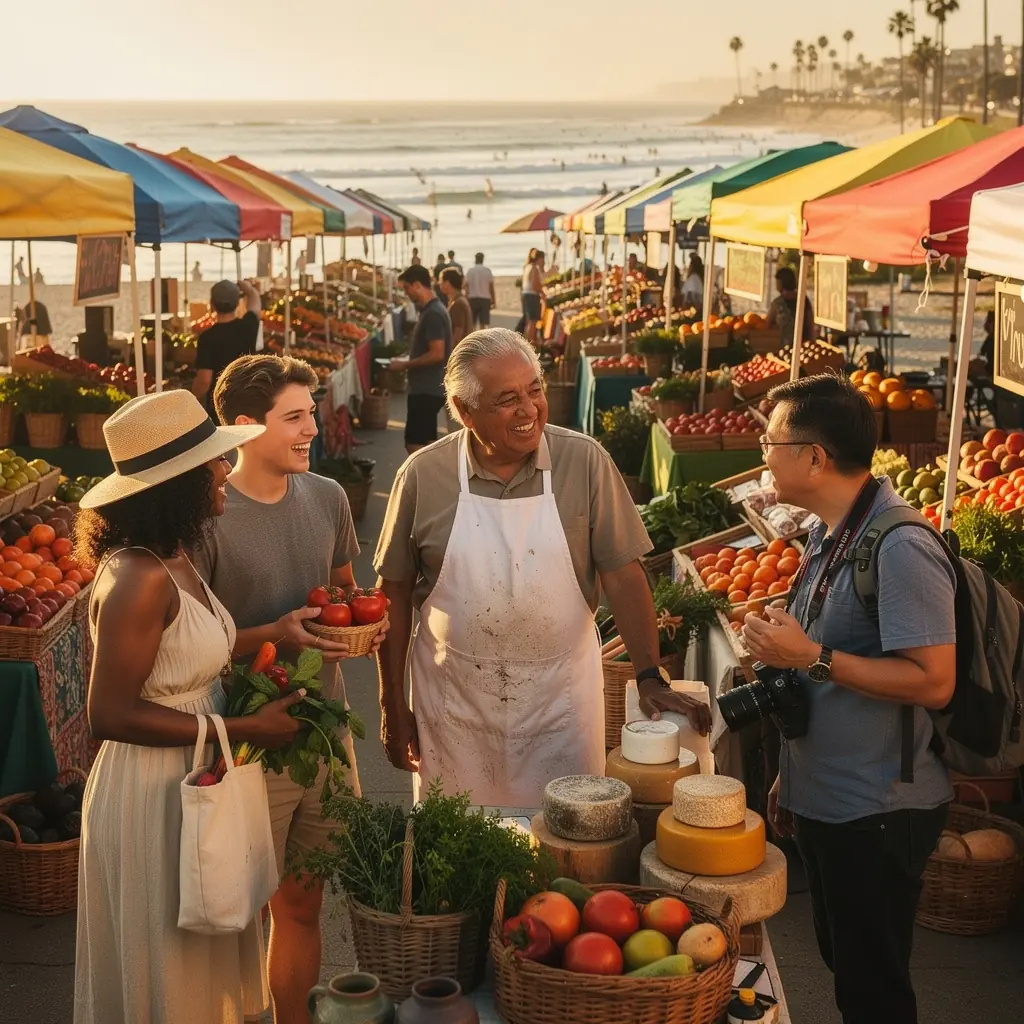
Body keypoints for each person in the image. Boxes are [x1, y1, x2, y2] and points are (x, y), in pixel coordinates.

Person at [374, 328, 710, 807]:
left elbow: (624, 575)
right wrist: (392, 703)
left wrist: (650, 675)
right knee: (457, 852)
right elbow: (394, 593)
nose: (529, 408)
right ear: (465, 412)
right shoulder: (423, 476)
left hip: (561, 708)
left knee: (565, 852)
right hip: (454, 707)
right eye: (507, 399)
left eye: (535, 389)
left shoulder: (585, 462)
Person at [72, 389, 300, 1024]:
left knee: (206, 957)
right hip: (152, 793)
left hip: (197, 776)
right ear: (177, 485)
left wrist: (275, 637)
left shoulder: (178, 557)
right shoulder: (138, 577)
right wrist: (241, 726)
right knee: (166, 972)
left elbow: (191, 659)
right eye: (213, 465)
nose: (226, 471)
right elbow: (109, 714)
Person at [742, 374, 955, 1024]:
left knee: (873, 990)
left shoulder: (902, 547)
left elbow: (933, 680)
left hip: (879, 807)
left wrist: (813, 657)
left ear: (815, 457)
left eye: (772, 439)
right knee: (846, 962)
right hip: (829, 795)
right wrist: (788, 774)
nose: (762, 450)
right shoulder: (830, 533)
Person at [194, 354, 383, 1024]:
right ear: (246, 428)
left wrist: (366, 620)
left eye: (311, 413)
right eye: (295, 417)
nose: (313, 429)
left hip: (324, 732)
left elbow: (342, 593)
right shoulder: (210, 516)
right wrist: (273, 633)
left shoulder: (328, 498)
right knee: (236, 913)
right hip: (245, 741)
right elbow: (189, 642)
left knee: (303, 904)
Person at [395, 264, 453, 454]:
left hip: (426, 388)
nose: (406, 293)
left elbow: (437, 353)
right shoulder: (434, 309)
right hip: (430, 386)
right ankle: (432, 482)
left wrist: (405, 364)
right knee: (428, 444)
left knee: (414, 445)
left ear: (418, 285)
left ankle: (422, 483)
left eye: (407, 288)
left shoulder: (433, 314)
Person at [193, 280, 262, 417]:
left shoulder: (207, 338)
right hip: (247, 398)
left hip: (220, 405)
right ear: (237, 304)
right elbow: (255, 302)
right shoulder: (248, 326)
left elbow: (204, 380)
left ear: (212, 304)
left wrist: (191, 397)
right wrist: (248, 289)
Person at [766, 266, 814, 347]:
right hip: (804, 346)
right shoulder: (803, 300)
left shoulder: (778, 303)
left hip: (783, 348)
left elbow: (767, 324)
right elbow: (810, 323)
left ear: (781, 283)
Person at [440, 267, 473, 347]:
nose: (439, 284)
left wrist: (450, 355)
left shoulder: (458, 303)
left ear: (447, 283)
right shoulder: (459, 300)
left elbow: (457, 335)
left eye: (441, 281)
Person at [465, 252, 496, 329]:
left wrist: (466, 298)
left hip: (472, 298)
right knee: (483, 324)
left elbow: (466, 286)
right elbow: (491, 287)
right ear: (483, 259)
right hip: (485, 299)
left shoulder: (470, 271)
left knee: (472, 323)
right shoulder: (487, 270)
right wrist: (494, 300)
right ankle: (481, 340)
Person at [520, 248, 545, 343]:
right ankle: (531, 342)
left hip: (526, 294)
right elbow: (535, 284)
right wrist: (543, 294)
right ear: (539, 259)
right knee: (532, 321)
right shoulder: (534, 268)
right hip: (532, 296)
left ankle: (529, 341)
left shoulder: (528, 266)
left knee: (529, 321)